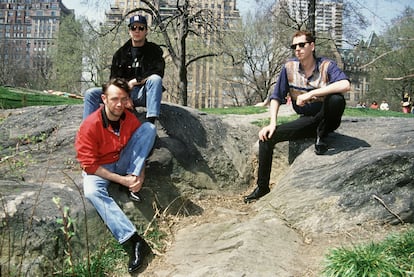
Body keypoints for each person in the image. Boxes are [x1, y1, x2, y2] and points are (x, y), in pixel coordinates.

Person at [244, 30, 350, 203]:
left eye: (302, 45)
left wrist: (311, 94)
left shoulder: (326, 65)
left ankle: (321, 135)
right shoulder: (289, 68)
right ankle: (262, 187)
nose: (298, 49)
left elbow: (345, 85)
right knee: (266, 138)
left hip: (327, 119)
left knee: (336, 99)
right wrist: (272, 123)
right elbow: (276, 97)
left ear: (312, 46)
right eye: (294, 46)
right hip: (307, 121)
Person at [75, 78, 157, 273]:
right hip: (100, 166)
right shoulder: (89, 125)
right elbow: (89, 165)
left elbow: (140, 149)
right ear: (104, 99)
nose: (119, 104)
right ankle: (134, 241)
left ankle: (132, 182)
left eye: (123, 99)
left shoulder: (128, 118)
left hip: (122, 160)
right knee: (92, 191)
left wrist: (139, 176)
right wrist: (122, 180)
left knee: (149, 129)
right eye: (114, 99)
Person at [82, 14, 165, 123]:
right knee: (91, 93)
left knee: (155, 79)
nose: (137, 31)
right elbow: (113, 80)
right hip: (122, 94)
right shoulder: (120, 54)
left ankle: (151, 122)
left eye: (141, 28)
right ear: (129, 31)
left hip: (144, 93)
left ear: (146, 31)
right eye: (133, 27)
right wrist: (125, 96)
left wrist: (135, 81)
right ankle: (88, 129)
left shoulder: (154, 50)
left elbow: (158, 71)